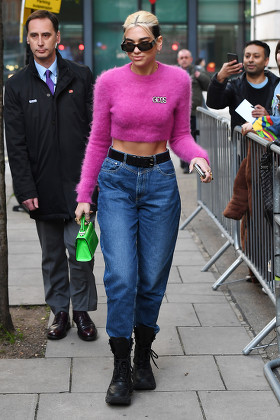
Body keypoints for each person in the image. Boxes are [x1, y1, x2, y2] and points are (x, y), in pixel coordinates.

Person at [75, 10, 212, 406]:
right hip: (116, 180)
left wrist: (198, 157)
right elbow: (98, 141)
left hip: (159, 182)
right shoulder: (108, 82)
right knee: (121, 275)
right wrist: (85, 194)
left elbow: (182, 136)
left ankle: (141, 356)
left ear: (159, 43)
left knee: (152, 276)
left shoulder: (178, 80)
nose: (135, 51)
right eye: (128, 45)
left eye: (143, 44)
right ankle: (120, 364)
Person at [4, 10, 98, 342]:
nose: (41, 41)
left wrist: (93, 183)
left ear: (57, 38)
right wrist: (24, 187)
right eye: (35, 36)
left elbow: (95, 132)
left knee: (81, 251)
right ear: (27, 39)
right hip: (40, 187)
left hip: (81, 186)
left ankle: (83, 311)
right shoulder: (16, 85)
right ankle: (59, 311)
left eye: (47, 35)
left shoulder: (82, 76)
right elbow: (14, 143)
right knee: (53, 254)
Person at [206, 40, 280, 132]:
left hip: (271, 143)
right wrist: (220, 77)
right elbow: (213, 103)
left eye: (256, 56)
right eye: (247, 56)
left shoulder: (277, 85)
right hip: (240, 143)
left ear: (266, 61)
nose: (250, 60)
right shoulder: (234, 85)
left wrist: (267, 117)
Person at [177, 49, 211, 172]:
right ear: (178, 60)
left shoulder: (197, 71)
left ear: (191, 59)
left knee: (192, 138)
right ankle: (185, 164)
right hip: (178, 114)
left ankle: (190, 163)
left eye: (186, 57)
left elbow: (208, 85)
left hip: (193, 112)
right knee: (181, 139)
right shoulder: (175, 73)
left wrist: (199, 76)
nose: (184, 60)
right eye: (182, 58)